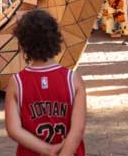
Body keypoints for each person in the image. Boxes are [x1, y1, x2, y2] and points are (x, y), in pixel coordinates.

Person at [5, 9, 87, 155]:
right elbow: (77, 129)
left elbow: (13, 129)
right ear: (56, 39)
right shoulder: (73, 79)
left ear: (23, 44)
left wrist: (47, 150)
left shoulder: (17, 82)